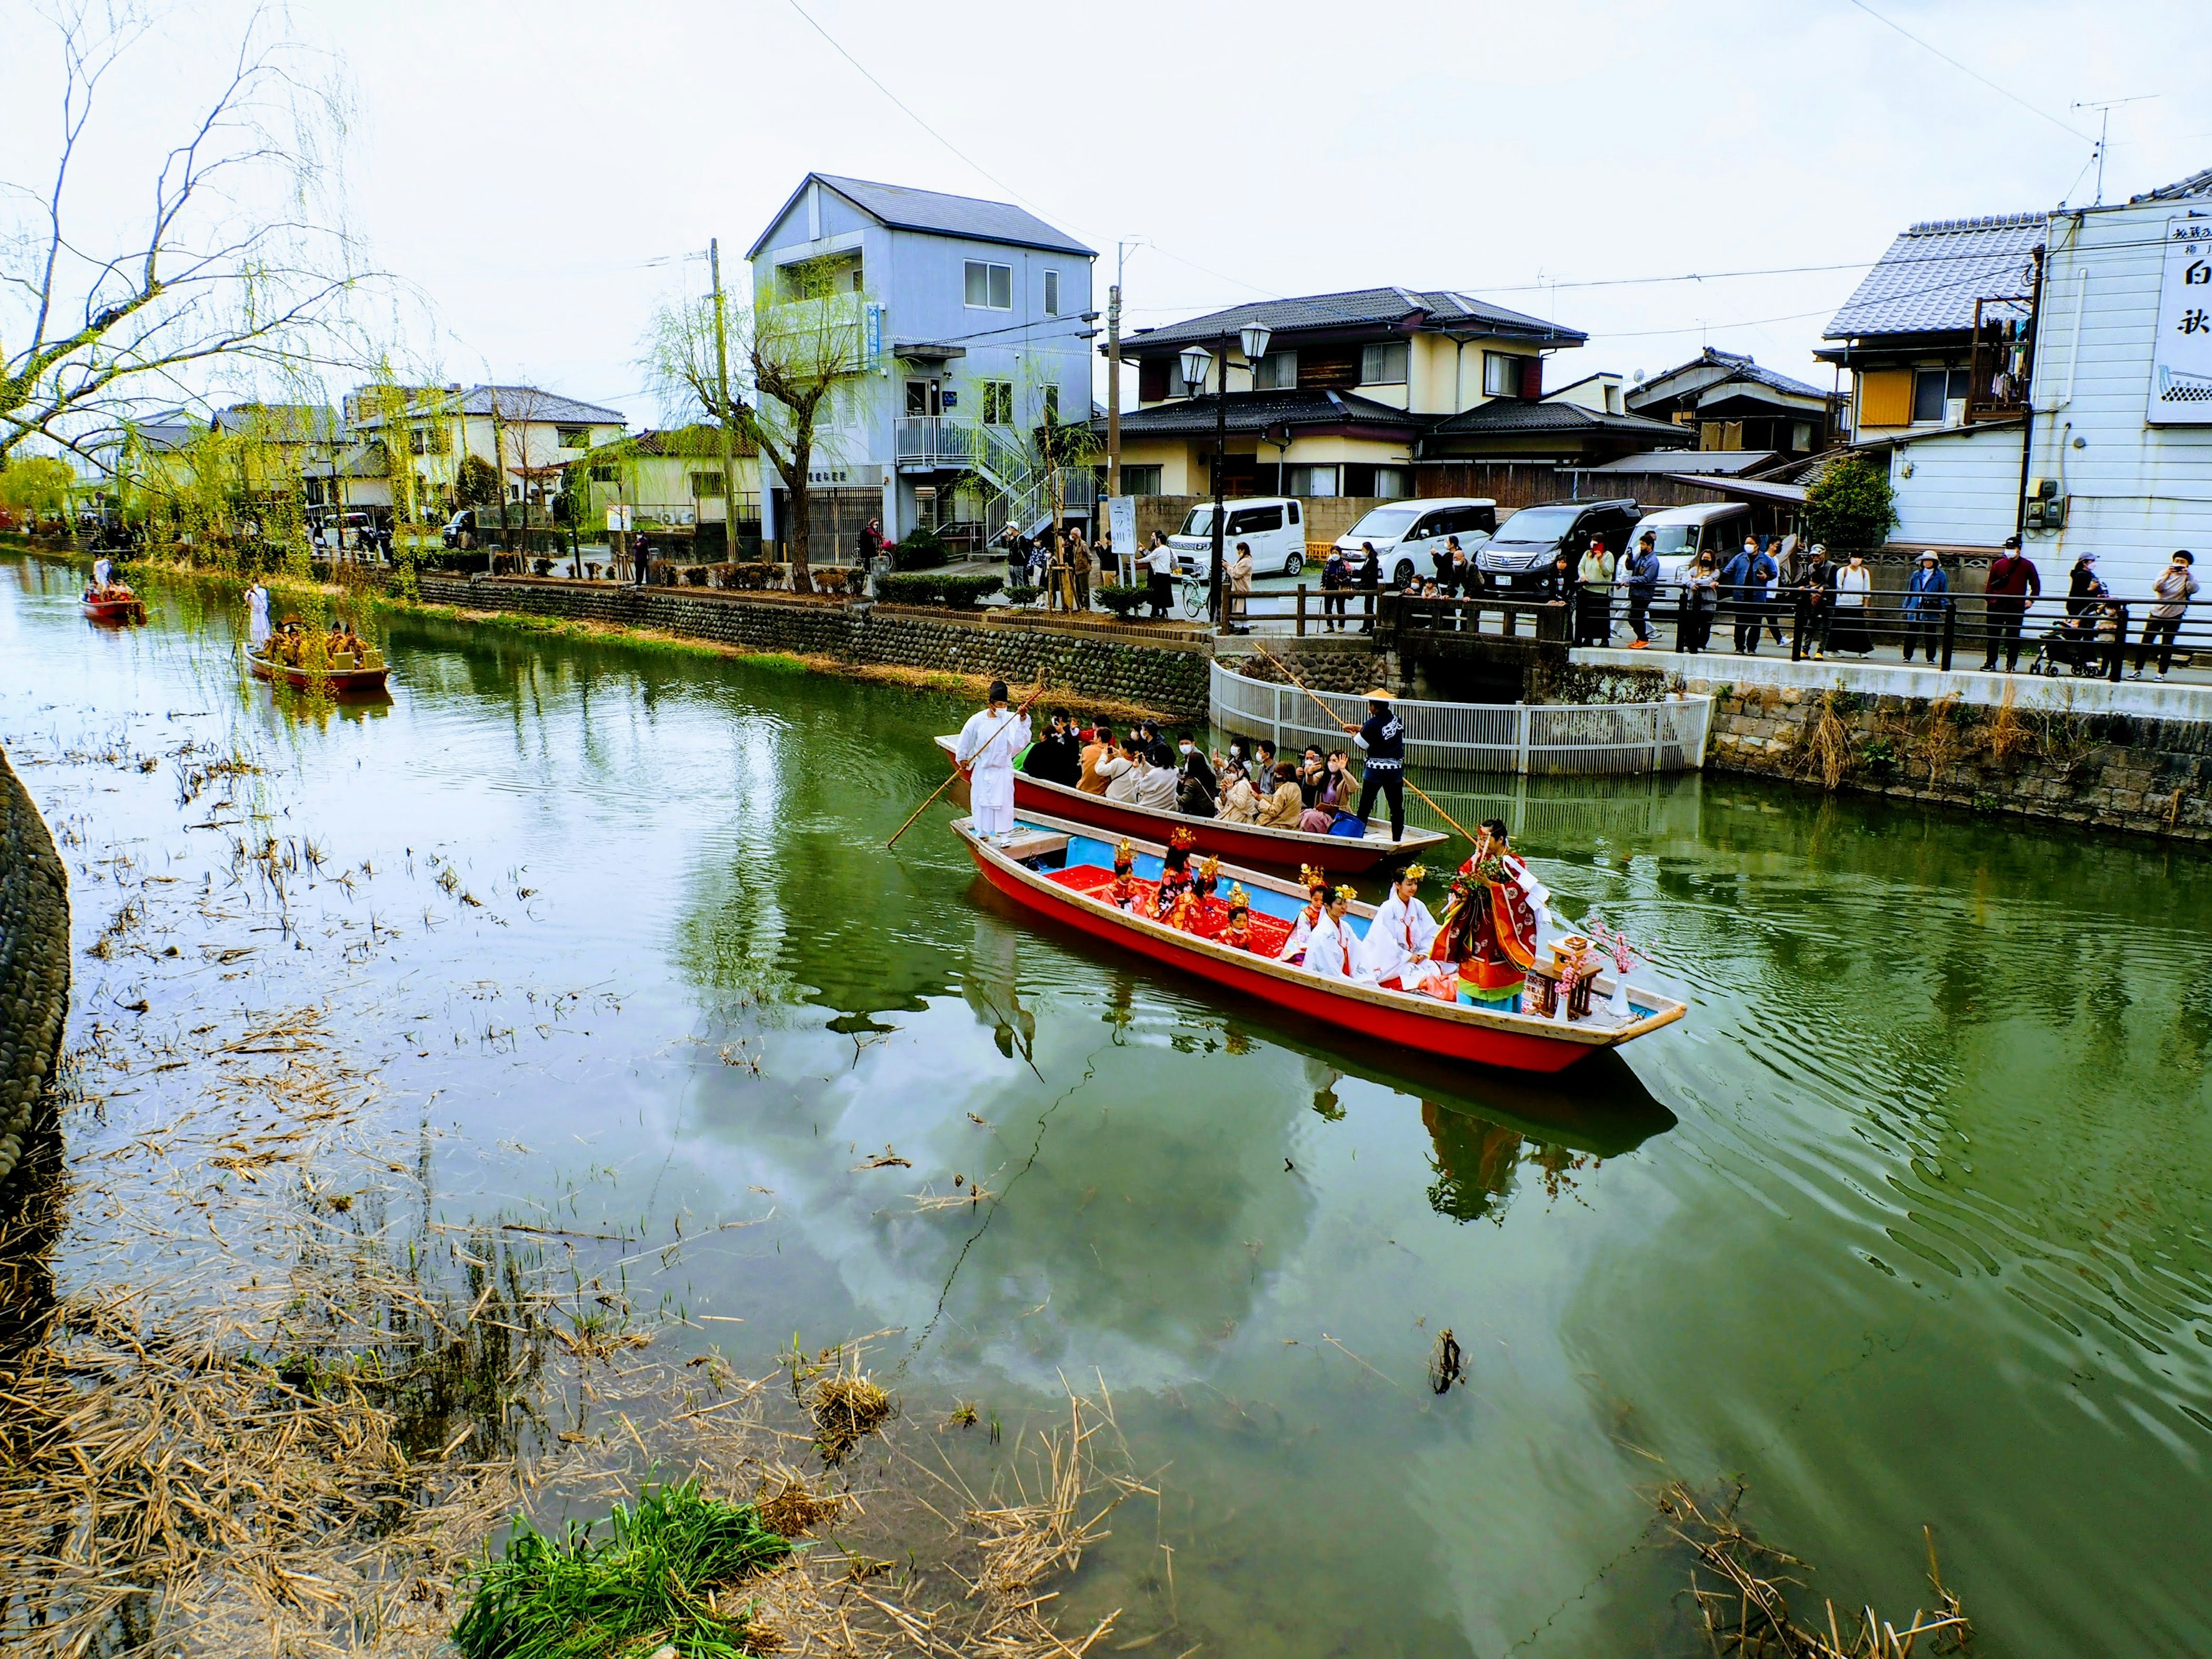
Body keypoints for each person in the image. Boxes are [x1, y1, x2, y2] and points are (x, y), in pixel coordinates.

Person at [1429, 820, 1543, 1007]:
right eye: (1479, 838)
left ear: (1500, 840)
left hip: (1501, 931)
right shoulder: (1478, 861)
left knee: (1500, 961)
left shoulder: (1514, 863)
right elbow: (1458, 883)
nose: (1481, 843)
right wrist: (1464, 886)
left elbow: (1519, 892)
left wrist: (1490, 886)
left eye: (1485, 839)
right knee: (1472, 960)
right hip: (1477, 925)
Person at [955, 681, 1031, 844]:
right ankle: (982, 831)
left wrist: (1023, 718)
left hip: (1002, 769)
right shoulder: (977, 720)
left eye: (1005, 704)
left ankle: (1004, 836)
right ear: (990, 704)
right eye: (999, 704)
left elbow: (1021, 740)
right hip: (983, 769)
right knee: (981, 802)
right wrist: (963, 758)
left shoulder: (1011, 719)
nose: (1002, 708)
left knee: (1004, 804)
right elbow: (966, 739)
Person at [1357, 865, 1443, 990]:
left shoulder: (1419, 906)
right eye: (1409, 884)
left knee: (1435, 971)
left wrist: (1423, 953)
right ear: (1398, 885)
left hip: (1417, 955)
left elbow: (1431, 931)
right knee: (1409, 978)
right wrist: (1407, 957)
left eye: (1415, 884)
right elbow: (1384, 941)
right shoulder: (1387, 908)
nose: (1413, 888)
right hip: (1394, 959)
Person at [1349, 688, 1406, 842]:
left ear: (1374, 707)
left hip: (1375, 770)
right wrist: (1358, 729)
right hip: (1394, 770)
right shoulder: (1397, 721)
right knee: (1396, 808)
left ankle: (1357, 836)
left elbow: (1363, 744)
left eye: (1370, 704)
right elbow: (1382, 734)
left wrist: (1354, 735)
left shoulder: (1371, 723)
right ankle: (1397, 839)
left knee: (1366, 804)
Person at [2134, 550, 2199, 680]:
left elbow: (2193, 589)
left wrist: (2189, 575)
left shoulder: (2189, 576)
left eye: (2183, 562)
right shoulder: (2164, 572)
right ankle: (2137, 670)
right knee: (2146, 642)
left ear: (2188, 565)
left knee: (2167, 644)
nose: (2179, 564)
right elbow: (2157, 587)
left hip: (2175, 613)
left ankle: (2161, 673)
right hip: (2157, 611)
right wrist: (2168, 574)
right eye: (2177, 561)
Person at [1981, 534, 2041, 672]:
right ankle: (1990, 662)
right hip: (1997, 605)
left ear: (2019, 549)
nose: (2009, 550)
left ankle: (2011, 664)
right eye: (2008, 548)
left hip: (2016, 606)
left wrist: (2031, 600)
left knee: (2013, 636)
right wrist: (1990, 600)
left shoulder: (2027, 565)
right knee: (1993, 636)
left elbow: (2036, 585)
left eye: (2012, 548)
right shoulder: (1998, 565)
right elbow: (1990, 586)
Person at [1721, 534, 1775, 655]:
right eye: (1746, 543)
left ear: (1757, 545)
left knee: (1756, 623)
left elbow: (1774, 573)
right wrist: (1717, 581)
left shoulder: (1765, 559)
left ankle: (1752, 648)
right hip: (1741, 596)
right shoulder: (1739, 558)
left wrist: (1766, 577)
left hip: (1758, 596)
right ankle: (1739, 647)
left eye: (1750, 543)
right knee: (1740, 622)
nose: (1748, 545)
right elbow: (1727, 571)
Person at [1302, 886, 1363, 982]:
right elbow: (1328, 967)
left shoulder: (1345, 927)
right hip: (1326, 977)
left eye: (1345, 903)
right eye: (1339, 904)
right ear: (1326, 906)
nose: (1344, 907)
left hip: (1344, 972)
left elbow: (1357, 948)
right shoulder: (1321, 933)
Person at [1277, 866, 1333, 966]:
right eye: (1316, 900)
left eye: (1322, 901)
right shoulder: (1306, 914)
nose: (1319, 904)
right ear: (1311, 898)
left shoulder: (1327, 912)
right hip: (1302, 945)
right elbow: (1304, 934)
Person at [1901, 551, 1950, 662]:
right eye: (1925, 560)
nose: (1927, 562)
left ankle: (1930, 657)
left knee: (1931, 632)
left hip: (1931, 605)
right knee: (1912, 631)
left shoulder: (1940, 574)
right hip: (1916, 605)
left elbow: (1943, 591)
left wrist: (1944, 607)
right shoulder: (1916, 574)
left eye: (1930, 560)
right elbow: (1910, 590)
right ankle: (1907, 656)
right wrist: (1906, 606)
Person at [1830, 551, 1873, 655]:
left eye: (1859, 557)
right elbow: (1838, 587)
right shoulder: (1843, 571)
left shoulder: (1864, 572)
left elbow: (1867, 590)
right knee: (1839, 629)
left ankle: (1862, 651)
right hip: (1842, 604)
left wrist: (1866, 605)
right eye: (1854, 557)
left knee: (1859, 630)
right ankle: (1833, 650)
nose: (1856, 559)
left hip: (1857, 604)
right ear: (1850, 558)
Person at [1624, 529, 1661, 648]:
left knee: (1636, 616)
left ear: (1650, 546)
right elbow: (1632, 567)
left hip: (1644, 594)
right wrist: (1629, 559)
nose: (1641, 547)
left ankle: (1643, 639)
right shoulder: (1640, 556)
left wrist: (1630, 581)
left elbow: (1646, 579)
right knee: (1633, 616)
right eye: (1640, 544)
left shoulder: (1653, 561)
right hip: (1636, 592)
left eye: (1643, 544)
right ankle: (1641, 638)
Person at [1575, 535, 1614, 646]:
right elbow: (1581, 567)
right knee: (1587, 616)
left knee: (1601, 616)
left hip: (1601, 590)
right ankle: (1588, 638)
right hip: (1588, 588)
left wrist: (1600, 560)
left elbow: (1608, 571)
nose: (1593, 544)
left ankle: (1604, 639)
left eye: (1596, 542)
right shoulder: (1587, 554)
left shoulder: (1608, 556)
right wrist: (1583, 576)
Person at [1680, 550, 1719, 653]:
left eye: (1708, 558)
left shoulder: (1715, 572)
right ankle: (1688, 644)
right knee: (1690, 624)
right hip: (1693, 601)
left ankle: (1701, 645)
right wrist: (1691, 584)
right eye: (1704, 558)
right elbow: (1684, 579)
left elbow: (1708, 581)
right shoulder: (1694, 570)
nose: (1705, 560)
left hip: (1708, 602)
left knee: (1705, 625)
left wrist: (1694, 580)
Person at [1175, 731, 1218, 816]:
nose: (1184, 746)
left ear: (1193, 743)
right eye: (1182, 744)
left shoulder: (1197, 756)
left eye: (1187, 743)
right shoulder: (1188, 755)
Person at [1255, 762, 1305, 829]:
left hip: (1278, 825)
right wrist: (1263, 797)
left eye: (1278, 774)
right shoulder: (1296, 787)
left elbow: (1274, 811)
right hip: (1291, 824)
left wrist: (1261, 800)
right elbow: (1278, 801)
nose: (1276, 777)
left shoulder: (1283, 789)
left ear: (1285, 776)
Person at [1135, 743, 1180, 812]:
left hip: (1150, 808)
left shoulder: (1154, 773)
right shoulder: (1175, 771)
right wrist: (1145, 764)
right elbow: (1160, 774)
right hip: (1168, 808)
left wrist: (1137, 768)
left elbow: (1138, 787)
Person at [1214, 759, 1260, 823]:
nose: (1231, 775)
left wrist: (1230, 791)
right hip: (1233, 814)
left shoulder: (1243, 784)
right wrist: (1223, 792)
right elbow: (1226, 803)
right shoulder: (1234, 783)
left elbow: (1241, 804)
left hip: (1241, 817)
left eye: (1234, 772)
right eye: (1229, 772)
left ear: (1242, 772)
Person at [1101, 735, 1143, 802]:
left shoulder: (1118, 762)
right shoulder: (1139, 764)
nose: (1119, 748)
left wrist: (1103, 755)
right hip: (1129, 800)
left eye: (1120, 747)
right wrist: (1119, 754)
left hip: (1113, 797)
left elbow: (1100, 770)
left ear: (1125, 750)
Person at [1077, 724, 1116, 794]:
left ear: (1099, 739)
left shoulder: (1086, 750)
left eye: (1095, 736)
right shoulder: (1113, 755)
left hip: (1082, 788)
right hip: (1100, 793)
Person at [1145, 531, 1176, 619]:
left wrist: (1138, 560)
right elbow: (1175, 560)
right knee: (1163, 593)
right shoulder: (1168, 549)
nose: (1152, 538)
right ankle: (1162, 610)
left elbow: (1149, 558)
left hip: (1156, 573)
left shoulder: (1158, 549)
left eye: (1154, 536)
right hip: (1165, 573)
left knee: (1156, 593)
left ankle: (1155, 610)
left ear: (1159, 539)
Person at [1321, 545, 1351, 632]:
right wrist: (1322, 585)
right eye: (1333, 553)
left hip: (1340, 587)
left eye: (1336, 553)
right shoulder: (1329, 563)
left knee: (1340, 607)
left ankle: (1341, 626)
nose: (1334, 555)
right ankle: (1330, 625)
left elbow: (1350, 576)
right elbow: (1324, 575)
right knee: (1327, 607)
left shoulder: (1345, 563)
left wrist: (1341, 580)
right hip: (1329, 587)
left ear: (1340, 554)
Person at [1219, 884, 1256, 952]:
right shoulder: (1224, 935)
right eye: (1238, 921)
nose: (1242, 924)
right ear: (1231, 920)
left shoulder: (1249, 936)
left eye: (1245, 921)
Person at [1227, 539, 1253, 631]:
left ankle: (1245, 628)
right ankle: (1233, 624)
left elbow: (1236, 573)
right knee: (1236, 607)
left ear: (1243, 550)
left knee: (1243, 608)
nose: (1238, 552)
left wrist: (1227, 567)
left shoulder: (1246, 562)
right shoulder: (1243, 559)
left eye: (1239, 550)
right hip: (1239, 588)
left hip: (1242, 588)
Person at [1357, 541, 1381, 634]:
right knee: (1367, 606)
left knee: (1369, 607)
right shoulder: (1368, 560)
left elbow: (1366, 574)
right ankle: (1366, 626)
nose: (1362, 551)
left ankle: (1370, 628)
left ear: (1368, 550)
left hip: (1370, 586)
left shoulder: (1372, 561)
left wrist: (1355, 572)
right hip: (1368, 585)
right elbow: (1363, 572)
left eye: (1363, 549)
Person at [1068, 528, 1093, 612]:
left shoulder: (1083, 545)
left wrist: (1088, 566)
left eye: (1073, 534)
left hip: (1084, 570)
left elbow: (1089, 557)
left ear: (1077, 535)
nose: (1071, 536)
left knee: (1084, 590)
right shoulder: (1075, 545)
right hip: (1077, 570)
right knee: (1078, 590)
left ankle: (1086, 606)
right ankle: (1081, 605)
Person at [245, 578, 271, 650]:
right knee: (263, 626)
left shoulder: (250, 592)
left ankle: (259, 644)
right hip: (260, 611)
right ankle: (262, 643)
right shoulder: (261, 591)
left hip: (258, 612)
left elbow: (247, 601)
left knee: (257, 627)